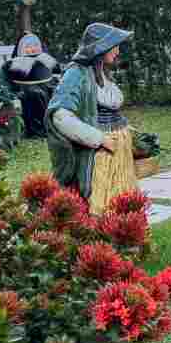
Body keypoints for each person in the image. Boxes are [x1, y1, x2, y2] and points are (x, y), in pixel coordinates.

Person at [46, 23, 138, 213]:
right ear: (100, 47)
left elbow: (112, 113)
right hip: (100, 155)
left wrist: (133, 137)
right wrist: (99, 138)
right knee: (101, 203)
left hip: (118, 152)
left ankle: (125, 235)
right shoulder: (76, 74)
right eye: (114, 45)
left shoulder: (102, 72)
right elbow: (60, 116)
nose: (118, 51)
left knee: (122, 199)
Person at [2, 32, 60, 138]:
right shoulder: (12, 64)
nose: (33, 49)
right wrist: (13, 93)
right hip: (24, 92)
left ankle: (53, 126)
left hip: (46, 90)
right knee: (35, 95)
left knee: (54, 94)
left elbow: (56, 74)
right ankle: (37, 130)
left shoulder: (46, 60)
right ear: (21, 48)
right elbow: (6, 82)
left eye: (35, 46)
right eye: (28, 47)